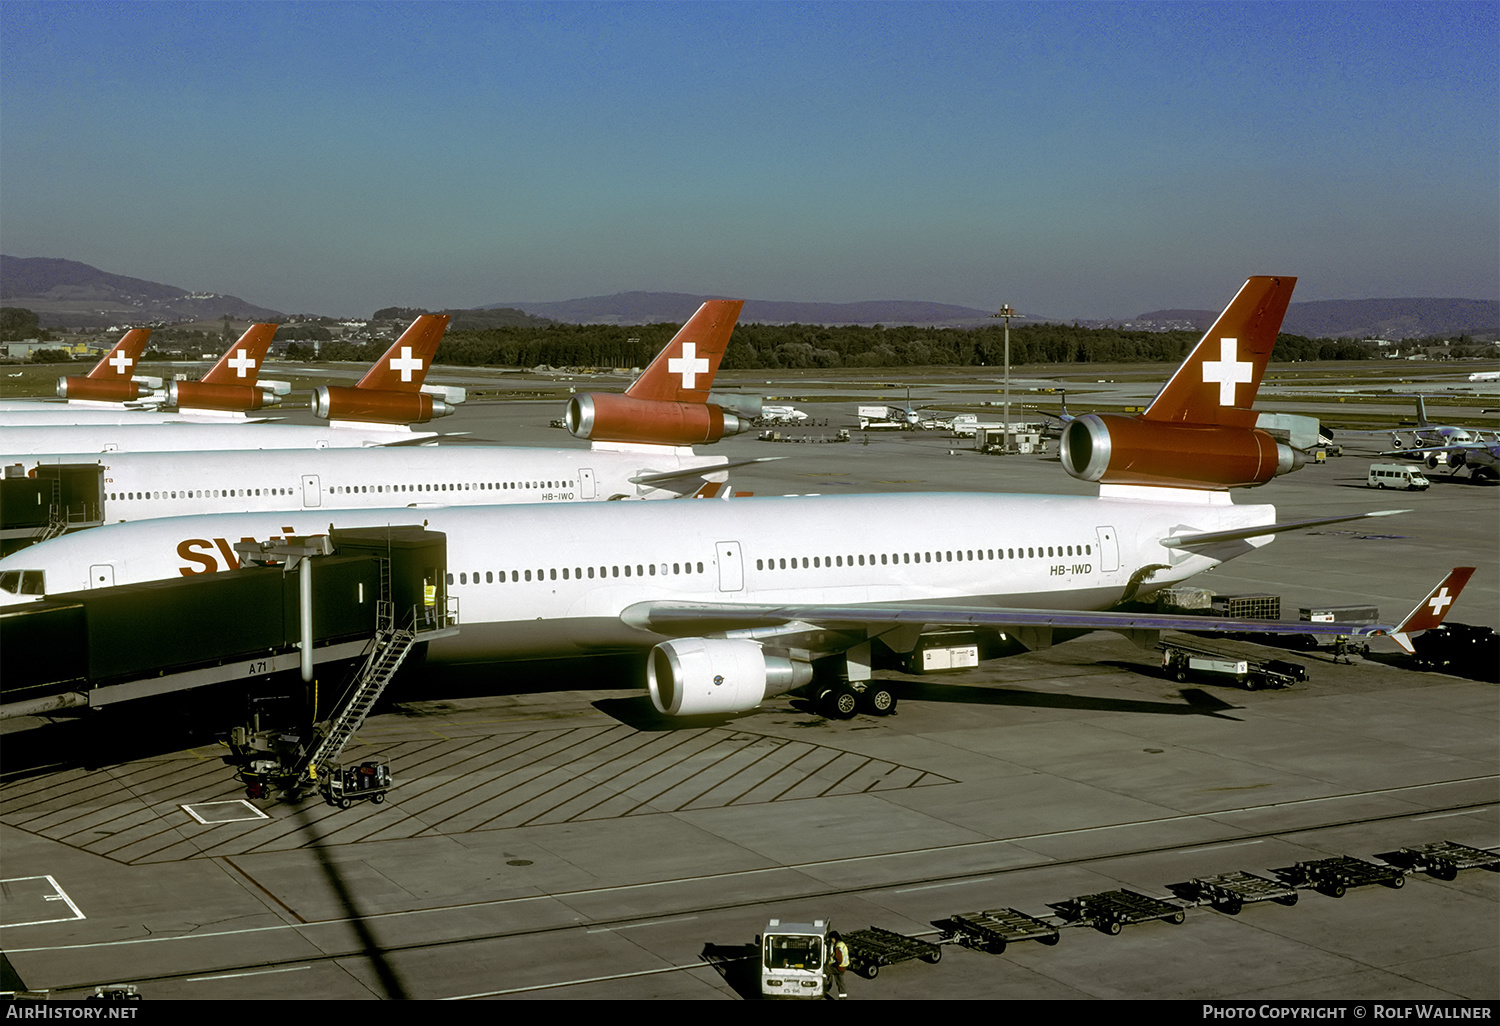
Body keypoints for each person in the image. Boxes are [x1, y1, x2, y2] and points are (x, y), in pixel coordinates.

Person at [826, 931, 850, 999]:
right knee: (840, 982)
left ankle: (825, 986)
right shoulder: (842, 944)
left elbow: (839, 960)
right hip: (843, 967)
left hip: (839, 967)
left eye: (831, 939)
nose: (831, 941)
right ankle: (843, 997)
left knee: (825, 969)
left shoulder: (838, 947)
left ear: (834, 938)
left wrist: (833, 964)